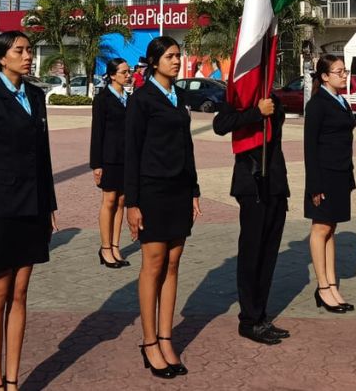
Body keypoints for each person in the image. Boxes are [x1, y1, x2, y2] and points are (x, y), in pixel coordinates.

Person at [0, 31, 57, 391]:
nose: (27, 56)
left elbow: (44, 155)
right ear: (1, 58)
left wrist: (49, 203)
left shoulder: (35, 96)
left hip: (33, 209)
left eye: (29, 50)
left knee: (20, 293)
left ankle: (13, 379)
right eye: (19, 51)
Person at [125, 36, 199, 380]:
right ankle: (149, 341)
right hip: (152, 191)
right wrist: (133, 202)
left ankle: (167, 337)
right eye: (170, 56)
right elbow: (132, 153)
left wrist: (195, 189)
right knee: (152, 265)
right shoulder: (141, 100)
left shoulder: (179, 97)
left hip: (180, 191)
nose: (177, 61)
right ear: (154, 62)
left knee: (173, 263)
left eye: (178, 55)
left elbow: (187, 145)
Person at [212, 86, 290, 345]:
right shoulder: (241, 94)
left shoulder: (273, 96)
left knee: (268, 254)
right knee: (252, 253)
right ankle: (248, 320)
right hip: (252, 182)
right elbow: (221, 124)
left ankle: (260, 316)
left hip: (275, 182)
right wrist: (256, 112)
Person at [304, 55, 356, 316]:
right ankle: (322, 286)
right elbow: (309, 148)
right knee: (320, 227)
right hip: (323, 176)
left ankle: (332, 284)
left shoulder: (341, 101)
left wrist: (349, 176)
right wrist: (314, 185)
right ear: (324, 76)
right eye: (339, 71)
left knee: (331, 227)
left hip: (340, 175)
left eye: (345, 71)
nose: (344, 75)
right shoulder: (317, 105)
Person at [90, 58, 131, 270]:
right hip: (108, 158)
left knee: (122, 201)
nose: (128, 75)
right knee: (109, 199)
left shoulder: (129, 98)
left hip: (126, 158)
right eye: (123, 72)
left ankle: (115, 246)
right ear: (112, 75)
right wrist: (96, 164)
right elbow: (97, 132)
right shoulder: (103, 99)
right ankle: (105, 247)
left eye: (128, 71)